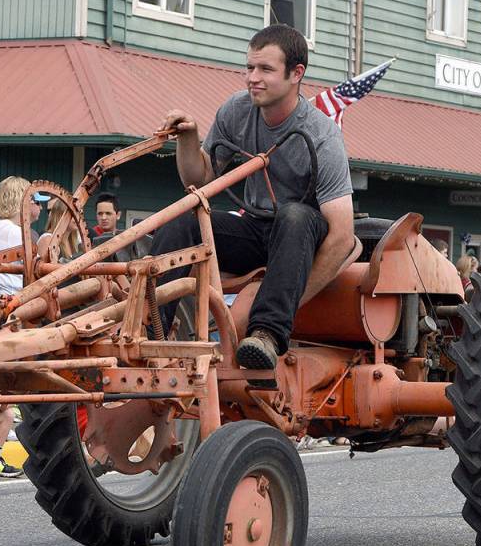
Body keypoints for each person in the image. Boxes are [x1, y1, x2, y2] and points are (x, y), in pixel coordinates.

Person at [152, 24, 355, 374]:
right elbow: (198, 180)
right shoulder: (236, 111)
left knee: (294, 215)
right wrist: (189, 139)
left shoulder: (323, 135)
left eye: (265, 70)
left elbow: (342, 236)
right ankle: (148, 329)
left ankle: (265, 334)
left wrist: (291, 299)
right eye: (249, 68)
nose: (253, 78)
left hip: (301, 238)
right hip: (255, 229)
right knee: (183, 217)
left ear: (296, 74)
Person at [0, 176, 49, 296]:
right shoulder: (13, 231)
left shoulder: (1, 225)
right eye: (38, 202)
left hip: (6, 293)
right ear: (26, 201)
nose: (41, 207)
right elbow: (37, 268)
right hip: (12, 295)